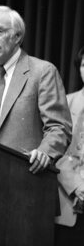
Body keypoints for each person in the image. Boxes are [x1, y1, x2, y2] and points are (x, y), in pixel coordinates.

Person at [0, 5, 72, 174]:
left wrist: (45, 152)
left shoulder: (42, 72)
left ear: (17, 36)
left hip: (23, 177)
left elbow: (58, 127)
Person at [55, 46, 84, 246]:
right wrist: (78, 187)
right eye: (83, 64)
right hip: (69, 201)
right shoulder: (66, 103)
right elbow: (56, 151)